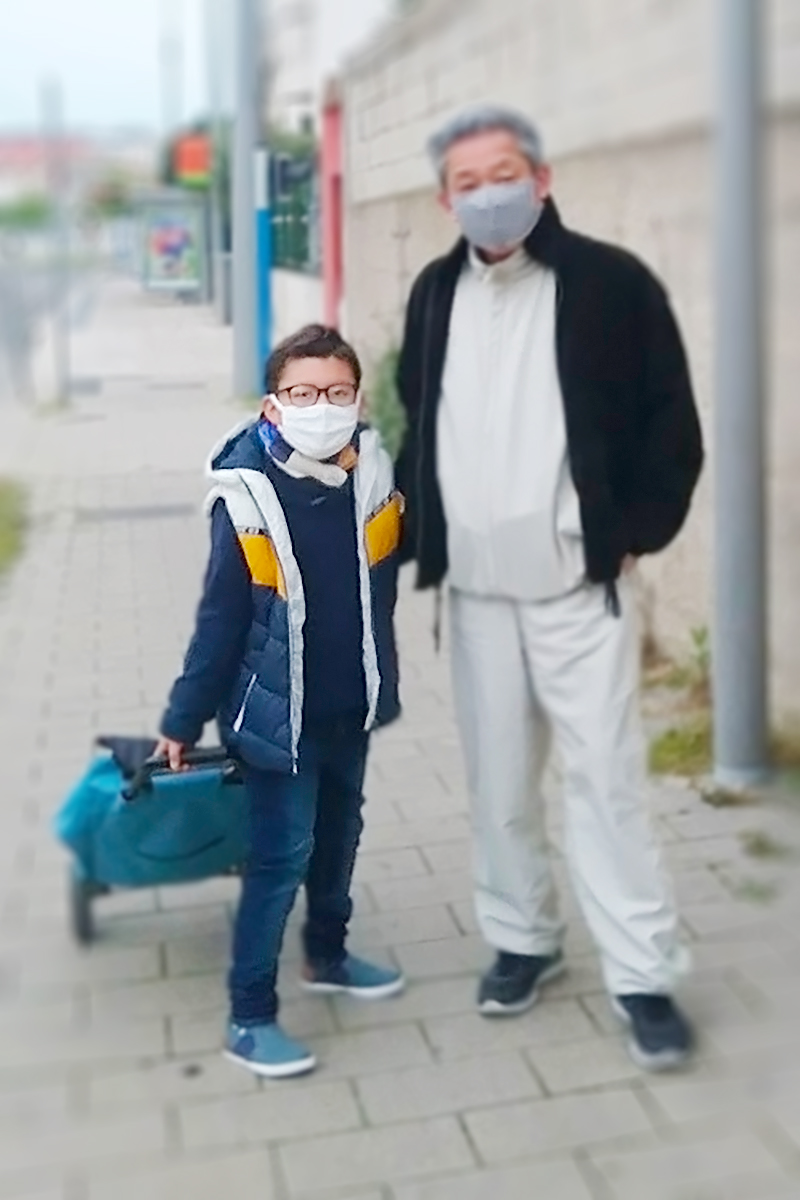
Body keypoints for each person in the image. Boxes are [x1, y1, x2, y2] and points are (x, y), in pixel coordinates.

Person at [395, 106, 704, 1071]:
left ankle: (642, 974)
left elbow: (670, 420)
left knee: (604, 779)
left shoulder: (610, 283)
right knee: (497, 782)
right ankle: (523, 937)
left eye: (504, 173)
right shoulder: (435, 292)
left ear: (541, 177)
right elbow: (418, 415)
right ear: (445, 200)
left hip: (578, 584)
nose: (488, 193)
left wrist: (636, 533)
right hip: (477, 590)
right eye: (467, 182)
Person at [157, 325, 405, 1078]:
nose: (320, 406)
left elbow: (379, 592)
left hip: (349, 707)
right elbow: (219, 620)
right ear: (274, 405)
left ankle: (327, 956)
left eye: (336, 392)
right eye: (303, 392)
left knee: (339, 837)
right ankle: (250, 1015)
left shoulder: (371, 479)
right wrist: (182, 718)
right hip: (276, 720)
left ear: (357, 400)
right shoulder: (245, 500)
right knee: (281, 858)